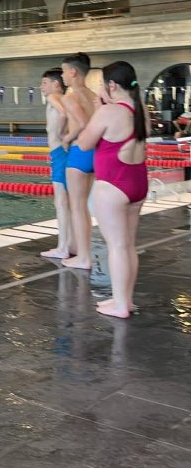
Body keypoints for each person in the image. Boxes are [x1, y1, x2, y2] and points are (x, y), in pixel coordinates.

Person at [78, 60, 149, 318]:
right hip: (137, 182)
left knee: (117, 246)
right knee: (128, 245)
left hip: (113, 185)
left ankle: (120, 305)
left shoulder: (109, 112)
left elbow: (84, 143)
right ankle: (124, 300)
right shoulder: (140, 109)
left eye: (101, 85)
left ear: (111, 85)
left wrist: (99, 109)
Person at [61, 52, 99, 270]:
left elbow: (84, 124)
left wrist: (66, 138)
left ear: (73, 72)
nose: (63, 76)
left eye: (64, 71)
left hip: (79, 152)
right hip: (95, 153)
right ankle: (81, 251)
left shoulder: (70, 97)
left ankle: (84, 257)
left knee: (77, 206)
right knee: (83, 206)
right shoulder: (94, 96)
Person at [39, 67, 74, 259]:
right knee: (69, 202)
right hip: (65, 153)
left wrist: (61, 135)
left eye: (44, 83)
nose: (41, 87)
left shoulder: (54, 97)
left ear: (56, 84)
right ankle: (70, 244)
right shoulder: (68, 98)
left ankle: (62, 248)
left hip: (59, 153)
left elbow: (63, 114)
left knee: (60, 202)